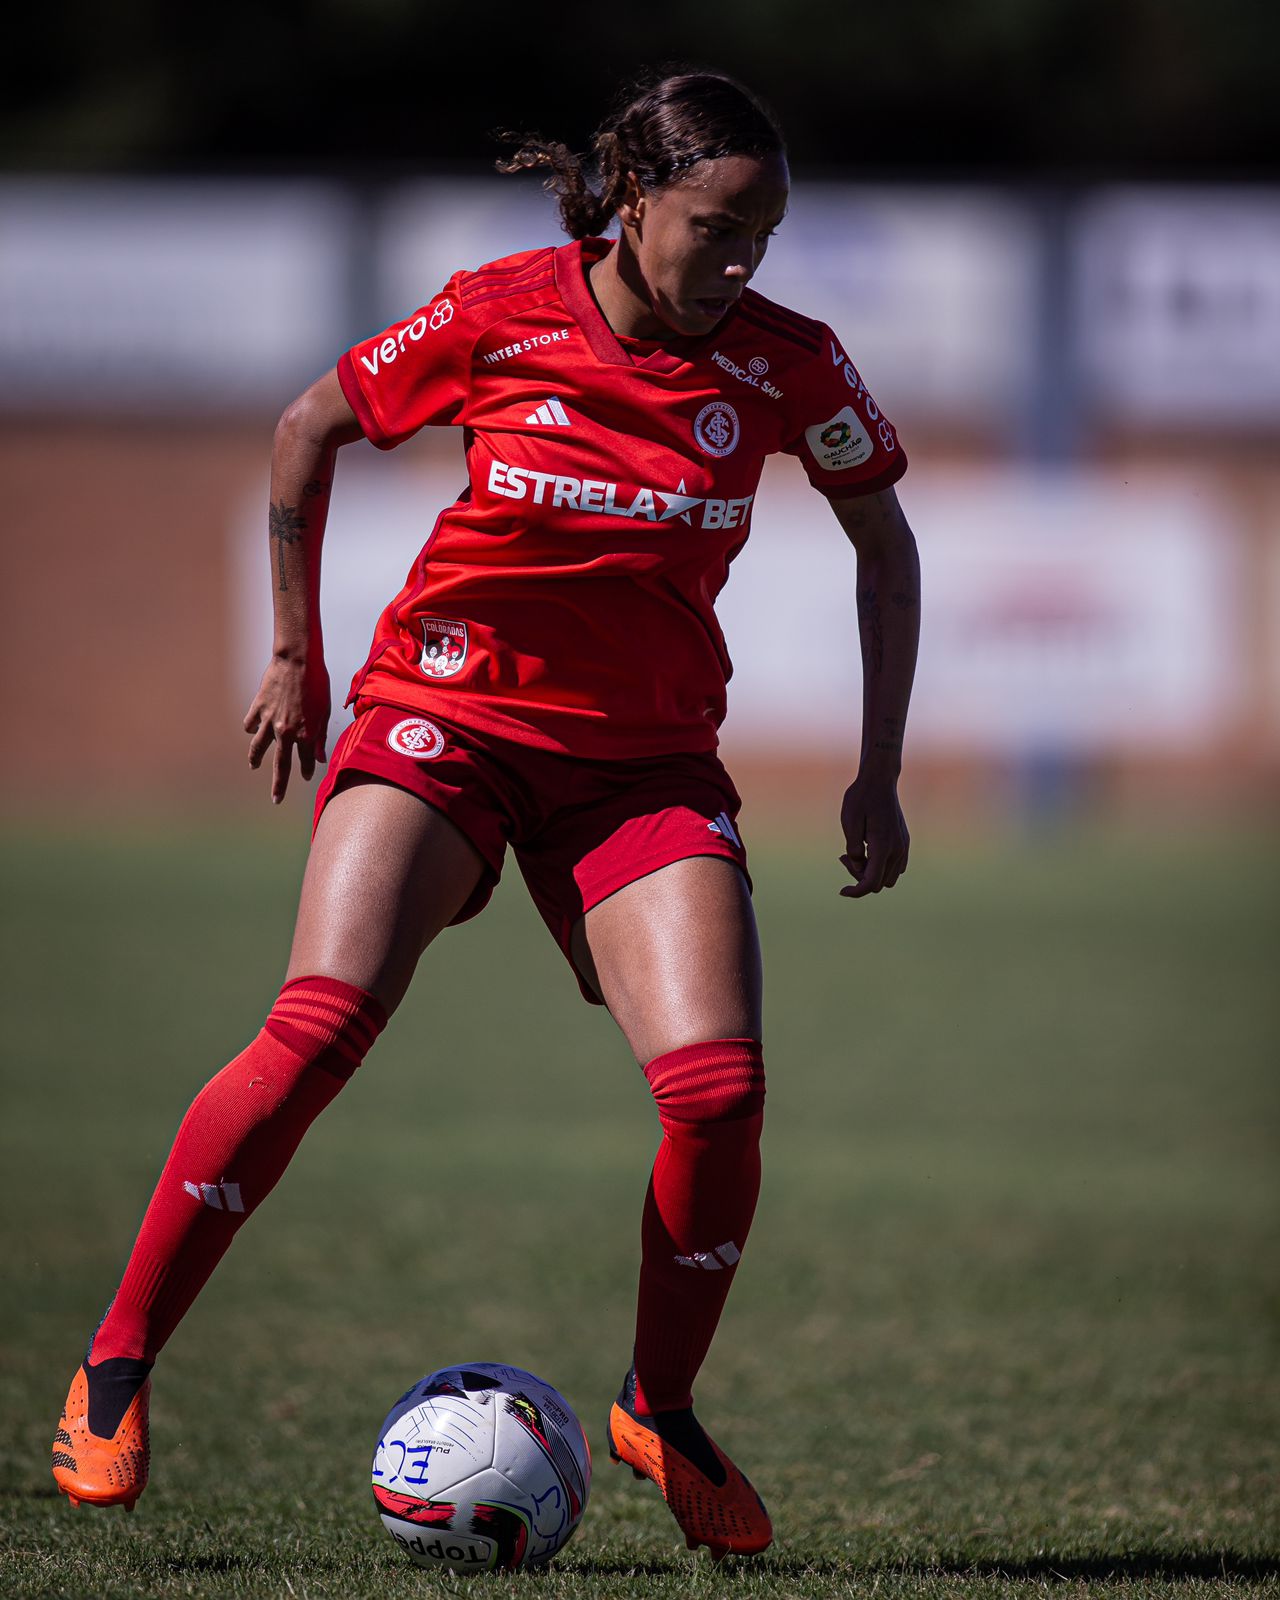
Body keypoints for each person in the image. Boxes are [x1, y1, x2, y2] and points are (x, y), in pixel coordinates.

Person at [51, 68, 920, 1559]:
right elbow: (309, 425)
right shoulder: (499, 310)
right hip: (443, 716)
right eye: (716, 229)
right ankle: (116, 1362)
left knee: (715, 1096)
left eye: (764, 236)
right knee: (317, 1026)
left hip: (640, 766)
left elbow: (884, 548)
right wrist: (295, 653)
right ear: (633, 203)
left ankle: (660, 1401)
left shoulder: (794, 366)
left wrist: (878, 766)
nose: (739, 266)